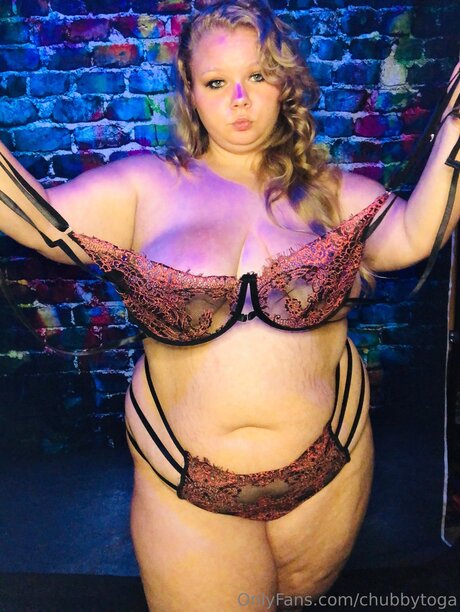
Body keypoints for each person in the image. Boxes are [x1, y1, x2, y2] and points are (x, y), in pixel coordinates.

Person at [0, 1, 459, 609]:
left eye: (257, 76)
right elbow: (40, 222)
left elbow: (416, 235)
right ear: (191, 93)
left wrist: (455, 127)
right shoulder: (144, 188)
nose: (239, 100)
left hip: (332, 470)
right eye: (217, 83)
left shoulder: (331, 191)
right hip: (187, 486)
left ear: (284, 84)